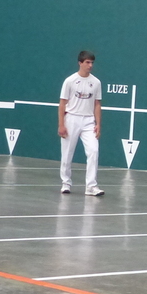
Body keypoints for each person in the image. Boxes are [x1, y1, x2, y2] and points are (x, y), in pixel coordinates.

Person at [58, 50, 104, 196]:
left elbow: (97, 104)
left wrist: (98, 124)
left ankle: (91, 186)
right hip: (71, 119)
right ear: (80, 63)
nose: (90, 65)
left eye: (92, 63)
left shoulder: (96, 82)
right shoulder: (70, 81)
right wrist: (61, 125)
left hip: (89, 121)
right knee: (67, 153)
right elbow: (62, 104)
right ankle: (66, 183)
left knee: (93, 151)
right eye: (87, 62)